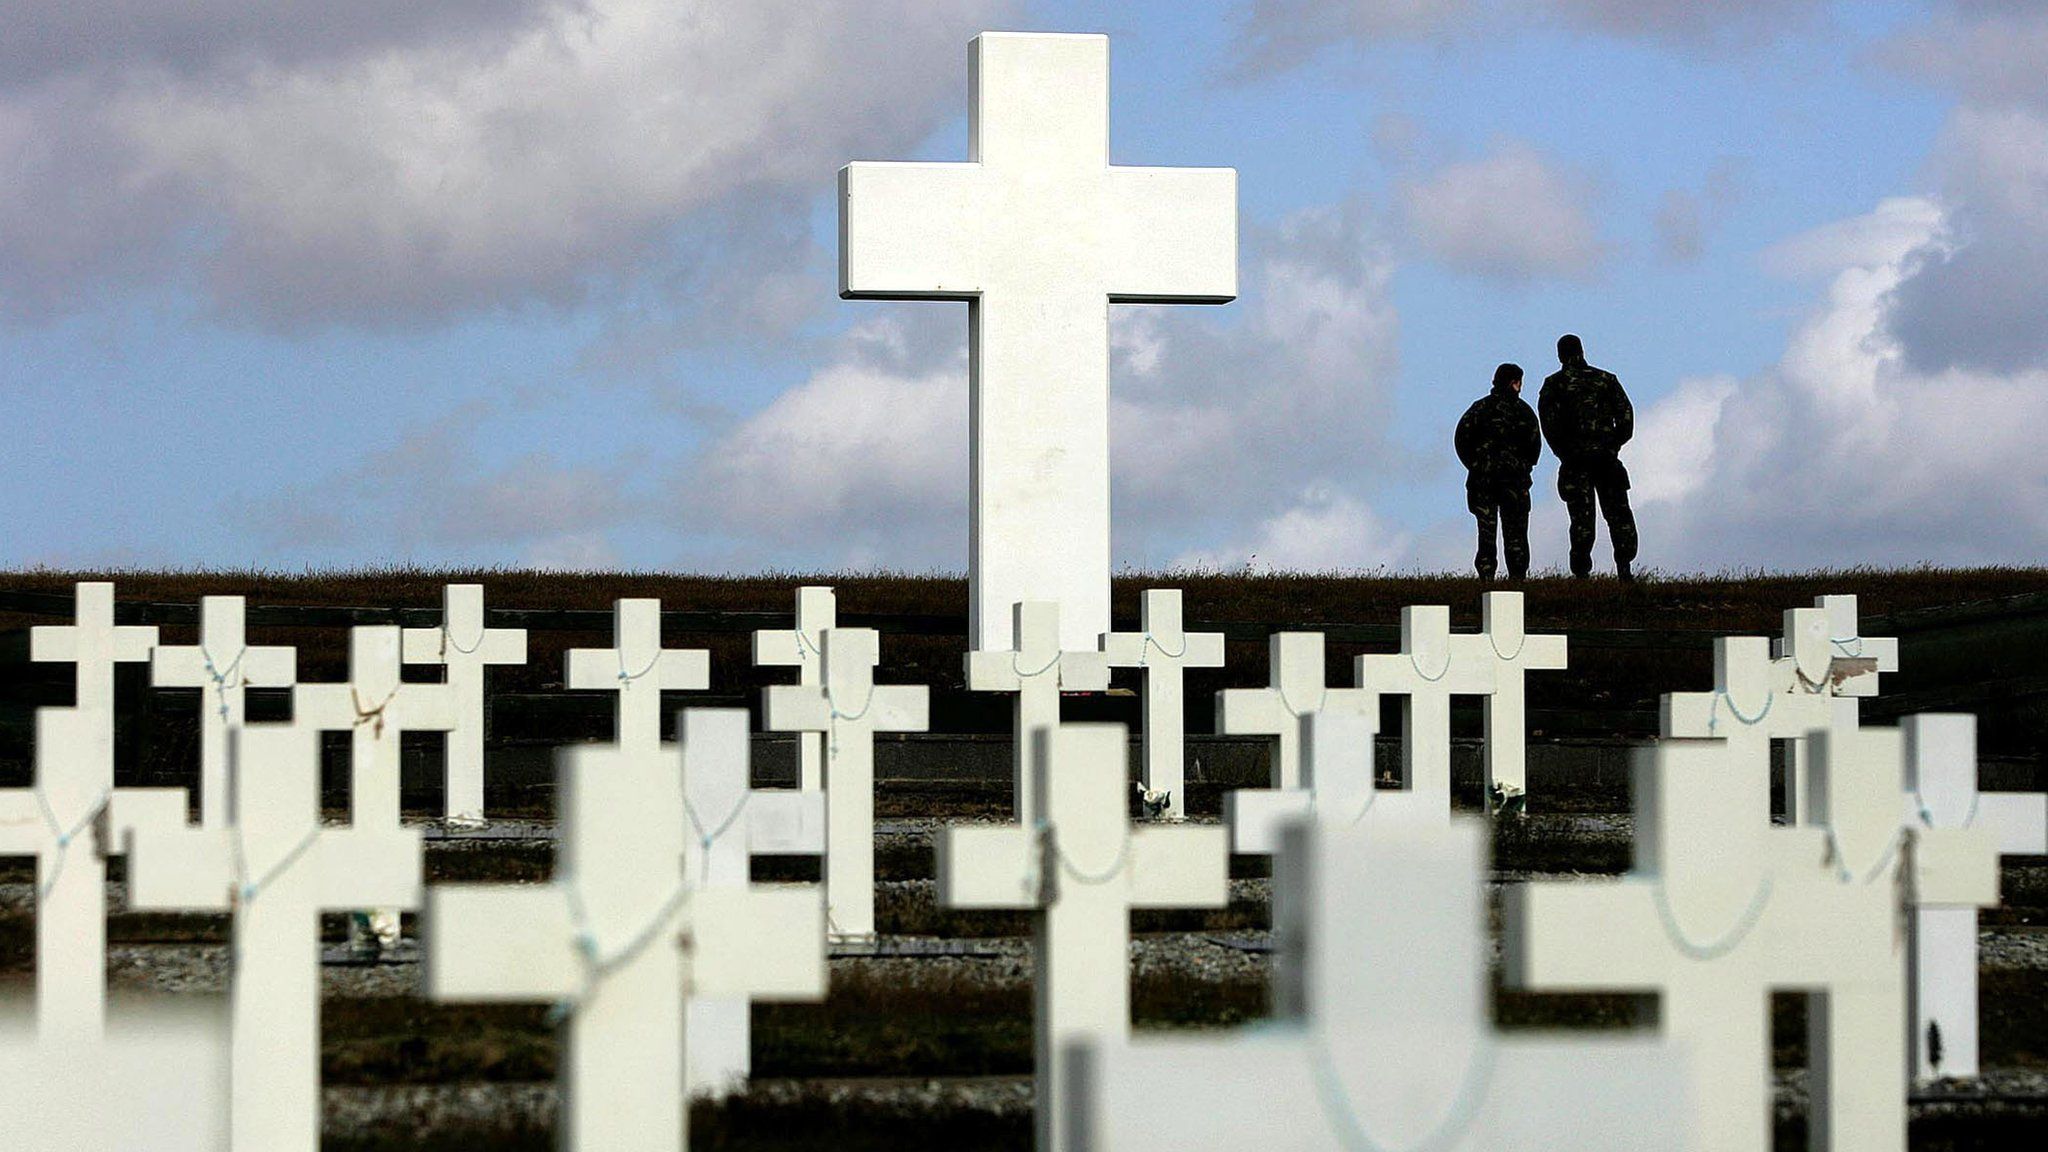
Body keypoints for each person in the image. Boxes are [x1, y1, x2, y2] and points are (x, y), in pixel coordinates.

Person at [1538, 334, 1638, 580]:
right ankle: (1624, 569)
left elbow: (1548, 425)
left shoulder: (1554, 384)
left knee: (1582, 519)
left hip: (1575, 462)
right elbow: (1626, 417)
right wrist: (1613, 444)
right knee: (1619, 515)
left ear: (1560, 355)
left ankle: (1582, 573)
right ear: (1582, 351)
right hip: (1606, 460)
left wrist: (1565, 453)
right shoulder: (1606, 380)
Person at [1455, 362, 1542, 582]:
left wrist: (1476, 466)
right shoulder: (1523, 411)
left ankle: (1486, 577)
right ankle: (1517, 579)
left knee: (1486, 533)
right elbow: (1534, 447)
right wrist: (1522, 469)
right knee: (1516, 535)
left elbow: (1461, 440)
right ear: (1515, 383)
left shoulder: (1478, 408)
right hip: (1514, 484)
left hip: (1482, 482)